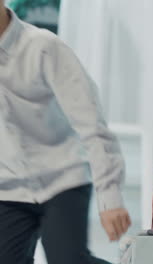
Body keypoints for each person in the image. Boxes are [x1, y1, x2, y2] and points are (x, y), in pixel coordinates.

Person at [0, 2, 131, 264]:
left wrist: (110, 198)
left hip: (63, 178)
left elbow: (91, 123)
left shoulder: (43, 47)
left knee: (67, 259)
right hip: (8, 189)